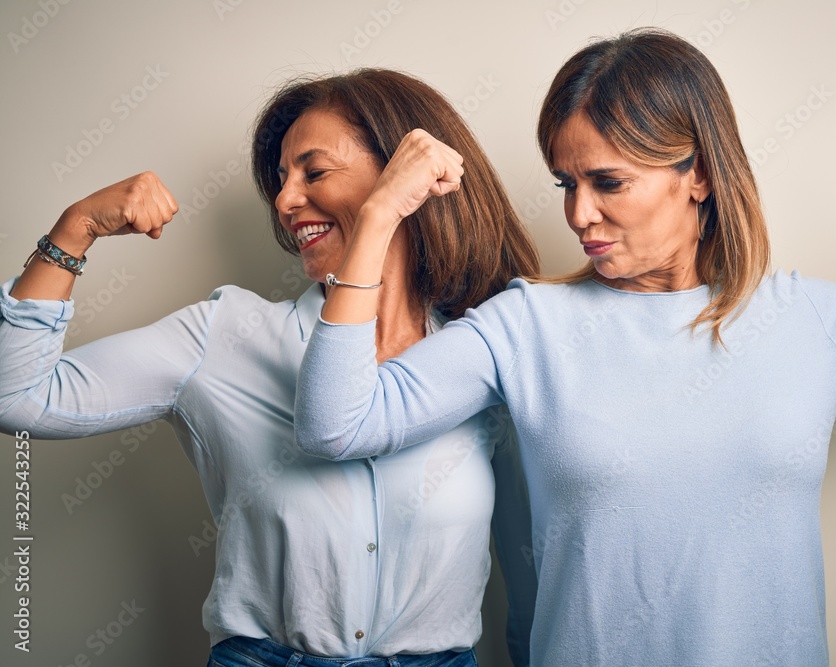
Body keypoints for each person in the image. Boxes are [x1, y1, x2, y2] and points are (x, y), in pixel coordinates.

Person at [292, 29, 836, 665]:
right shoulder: (528, 323)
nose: (578, 213)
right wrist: (380, 213)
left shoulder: (810, 317)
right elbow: (337, 423)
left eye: (608, 182)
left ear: (698, 174)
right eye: (567, 183)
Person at [0, 68, 539, 667]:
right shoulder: (225, 333)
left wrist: (381, 214)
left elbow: (527, 561)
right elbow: (16, 397)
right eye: (281, 180)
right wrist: (76, 230)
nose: (284, 202)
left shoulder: (482, 354)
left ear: (403, 176)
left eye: (314, 171)